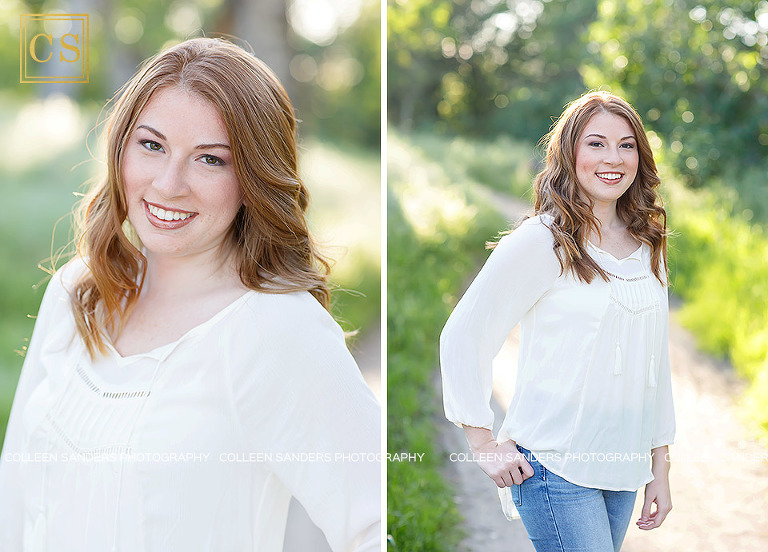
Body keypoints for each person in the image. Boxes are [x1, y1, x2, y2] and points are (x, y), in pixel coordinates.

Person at [0, 37, 380, 552]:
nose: (169, 184)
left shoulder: (278, 331)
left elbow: (372, 524)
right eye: (152, 145)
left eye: (210, 160)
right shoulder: (79, 292)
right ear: (120, 149)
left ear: (254, 178)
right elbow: (14, 496)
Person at [440, 91, 675, 552]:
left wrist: (659, 467)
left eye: (627, 145)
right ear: (569, 153)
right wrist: (483, 442)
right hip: (555, 465)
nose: (613, 159)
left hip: (623, 467)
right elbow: (464, 333)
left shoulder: (648, 243)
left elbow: (655, 363)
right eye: (596, 144)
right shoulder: (544, 240)